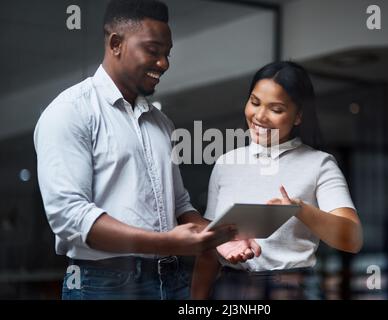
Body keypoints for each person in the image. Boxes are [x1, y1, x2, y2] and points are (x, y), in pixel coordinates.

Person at [34, 0, 258, 300]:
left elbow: (180, 207)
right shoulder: (69, 112)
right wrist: (165, 243)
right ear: (116, 43)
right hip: (103, 285)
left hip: (171, 279)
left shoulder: (161, 122)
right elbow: (69, 216)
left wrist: (221, 238)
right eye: (153, 51)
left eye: (167, 54)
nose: (164, 63)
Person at [191, 61, 363, 300]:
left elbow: (352, 239)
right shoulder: (226, 163)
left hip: (291, 291)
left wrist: (299, 209)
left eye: (276, 109)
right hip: (230, 289)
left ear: (298, 115)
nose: (260, 116)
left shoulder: (319, 164)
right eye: (254, 102)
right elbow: (209, 249)